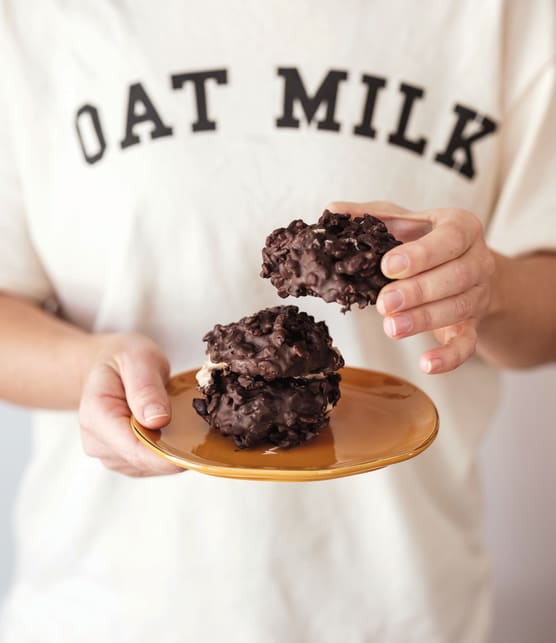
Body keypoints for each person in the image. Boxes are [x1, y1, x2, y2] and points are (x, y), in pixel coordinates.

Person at [0, 1, 555, 641]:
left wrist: (491, 284)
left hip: (400, 607)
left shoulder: (502, 13)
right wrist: (95, 368)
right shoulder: (38, 16)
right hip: (108, 606)